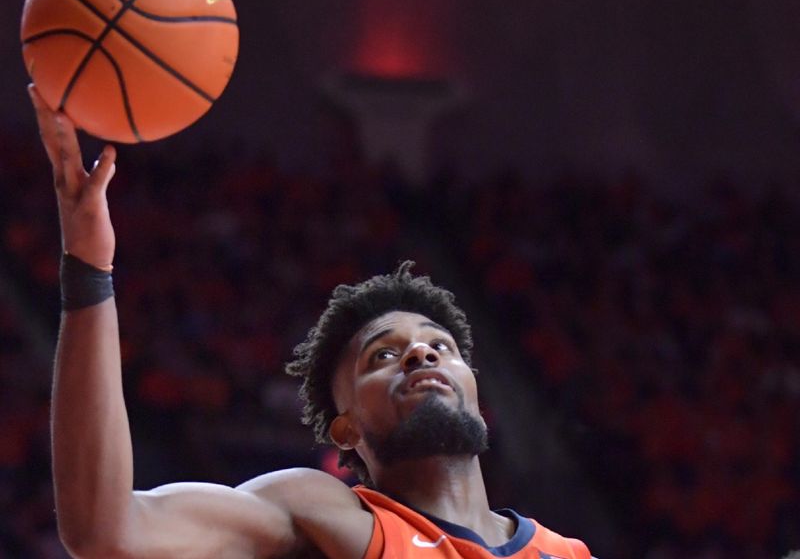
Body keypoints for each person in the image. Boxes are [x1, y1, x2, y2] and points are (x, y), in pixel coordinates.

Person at [29, 83, 594, 559]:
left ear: (474, 389)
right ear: (346, 428)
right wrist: (87, 271)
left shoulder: (567, 552)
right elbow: (108, 530)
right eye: (383, 355)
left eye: (440, 347)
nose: (421, 355)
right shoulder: (323, 517)